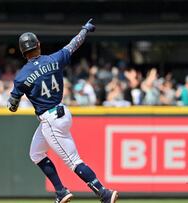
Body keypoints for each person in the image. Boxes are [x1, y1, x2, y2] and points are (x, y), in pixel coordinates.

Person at [7, 19, 118, 203]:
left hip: (50, 120)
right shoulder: (54, 59)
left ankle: (104, 193)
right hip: (61, 112)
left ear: (22, 52)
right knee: (36, 153)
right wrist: (84, 30)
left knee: (74, 161)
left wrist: (15, 98)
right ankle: (60, 192)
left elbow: (12, 105)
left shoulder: (21, 77)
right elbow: (73, 45)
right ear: (38, 45)